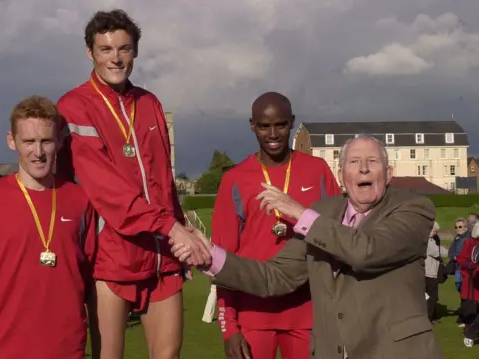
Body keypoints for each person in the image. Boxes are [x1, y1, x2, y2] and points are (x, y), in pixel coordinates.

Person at [174, 135, 444, 358]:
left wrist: (299, 213)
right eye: (354, 162)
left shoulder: (413, 208)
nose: (363, 168)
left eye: (372, 161)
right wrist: (209, 256)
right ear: (341, 175)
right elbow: (275, 277)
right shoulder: (323, 213)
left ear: (388, 174)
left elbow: (365, 251)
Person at [57, 9, 210, 359]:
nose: (116, 58)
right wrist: (171, 227)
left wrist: (184, 226)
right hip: (111, 255)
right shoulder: (74, 106)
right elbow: (106, 191)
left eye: (124, 48)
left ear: (135, 52)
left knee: (168, 355)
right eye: (106, 49)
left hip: (161, 257)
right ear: (89, 52)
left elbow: (163, 182)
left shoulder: (149, 102)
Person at [0, 95, 99, 359]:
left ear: (60, 141)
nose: (38, 152)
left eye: (46, 141)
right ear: (12, 141)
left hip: (66, 345)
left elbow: (89, 270)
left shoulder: (79, 199)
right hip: (5, 345)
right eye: (28, 141)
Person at [210, 92, 341, 359]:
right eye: (263, 126)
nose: (272, 133)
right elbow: (222, 261)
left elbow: (338, 238)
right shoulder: (235, 179)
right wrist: (229, 329)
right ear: (252, 125)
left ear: (292, 122)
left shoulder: (317, 170)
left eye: (280, 124)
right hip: (253, 316)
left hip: (309, 313)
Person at [458, 223, 479, 347]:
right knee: (470, 308)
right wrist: (469, 265)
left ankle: (471, 332)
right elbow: (462, 259)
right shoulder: (470, 243)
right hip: (473, 280)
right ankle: (470, 333)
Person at [425, 222, 447, 323]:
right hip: (429, 274)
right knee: (431, 297)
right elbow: (438, 252)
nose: (435, 233)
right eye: (434, 231)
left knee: (431, 297)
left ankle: (431, 316)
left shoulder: (430, 240)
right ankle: (429, 318)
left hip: (430, 272)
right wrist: (452, 252)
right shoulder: (428, 242)